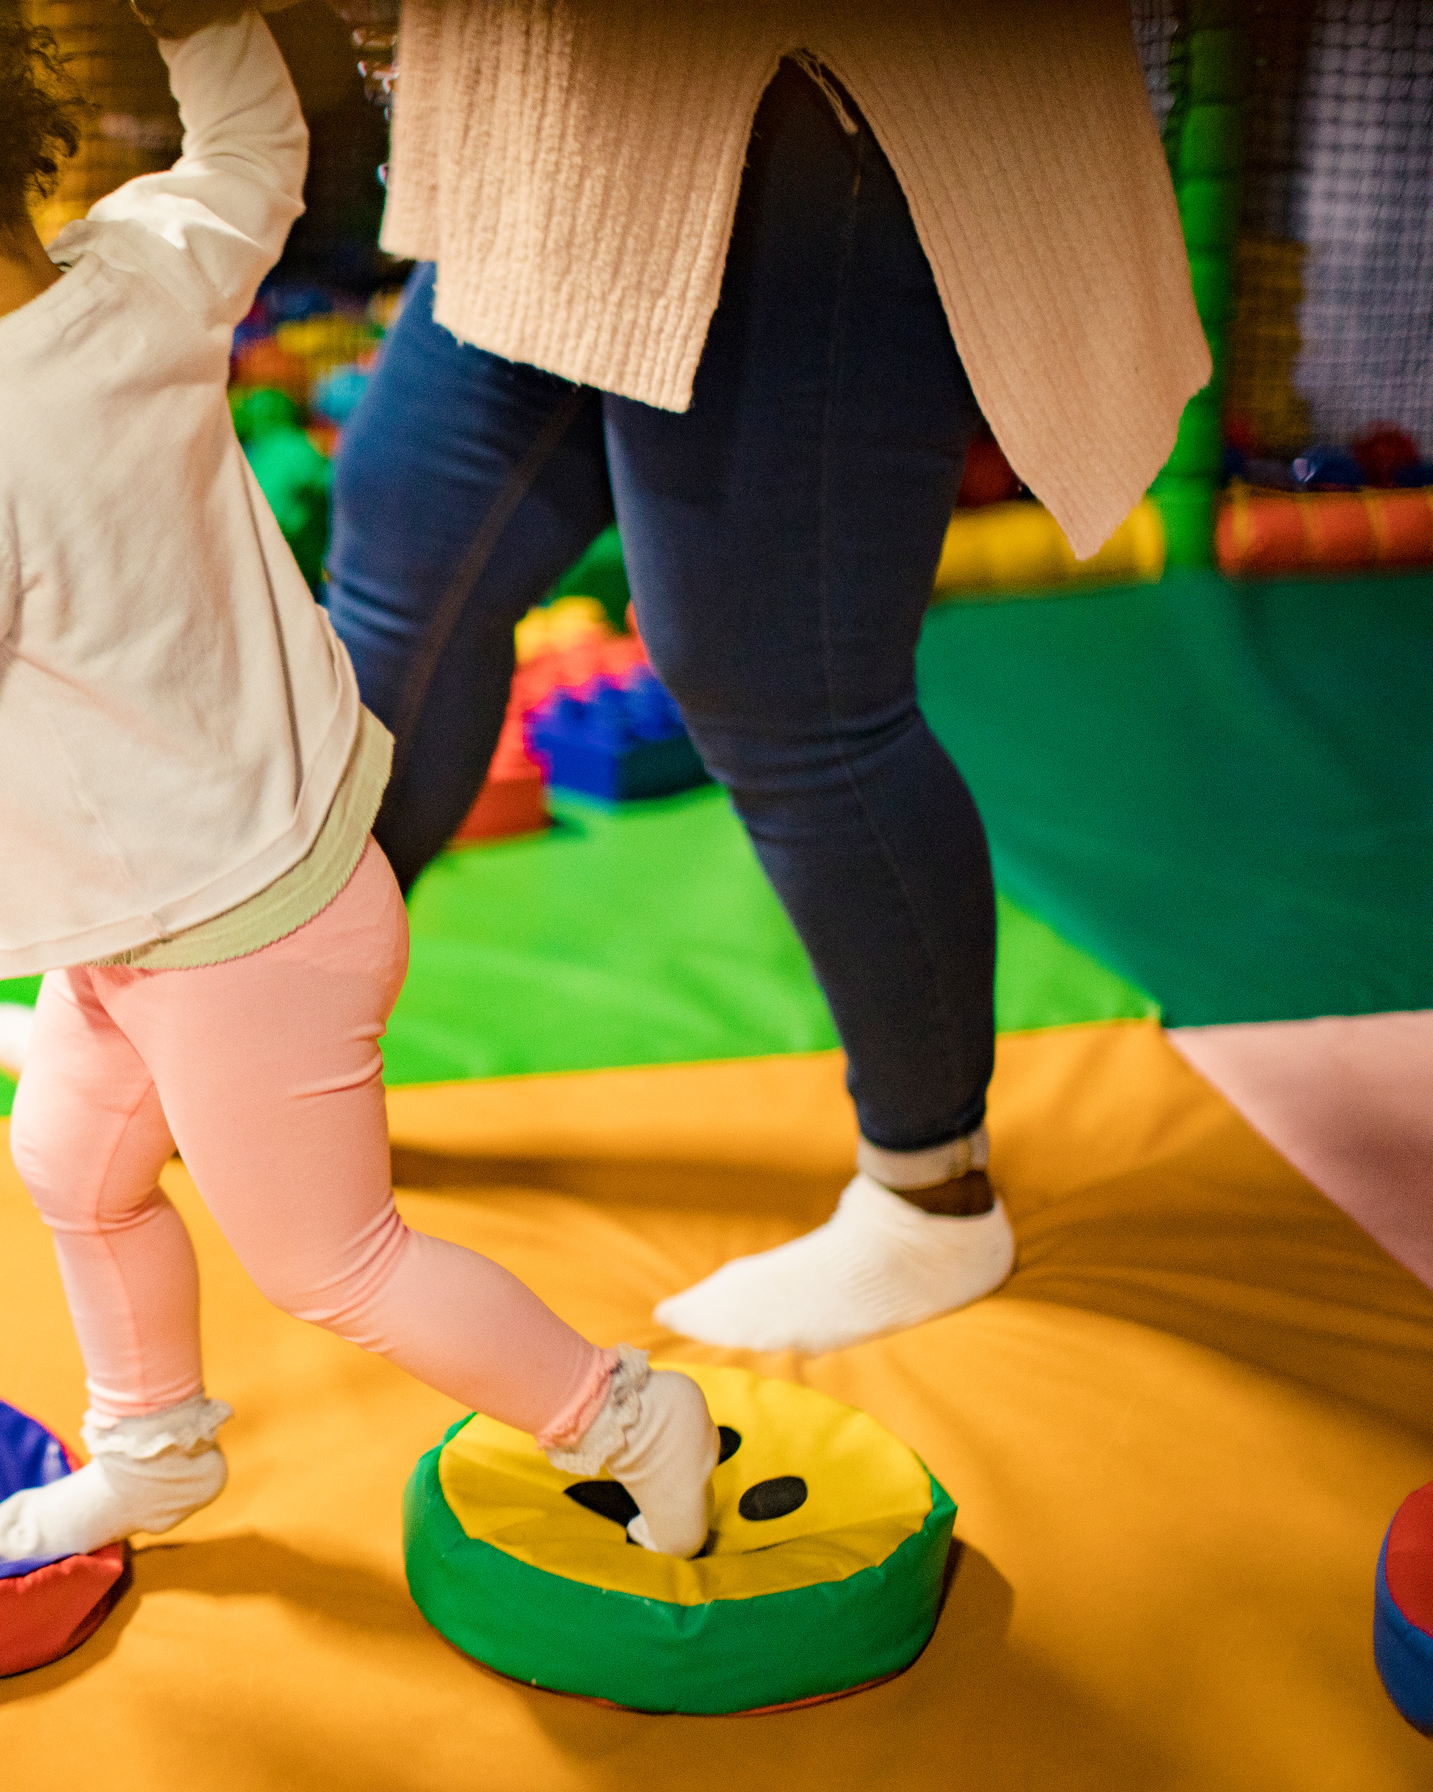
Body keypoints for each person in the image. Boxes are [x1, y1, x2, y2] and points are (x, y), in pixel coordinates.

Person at [0, 0, 722, 1561]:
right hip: (196, 895)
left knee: (334, 1262)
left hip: (236, 940)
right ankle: (153, 1447)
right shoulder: (142, 270)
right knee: (71, 1161)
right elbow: (256, 152)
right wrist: (202, 22)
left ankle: (617, 1413)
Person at [323, 2, 1208, 1354]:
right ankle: (264, 1042)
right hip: (574, 106)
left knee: (783, 679)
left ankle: (935, 1192)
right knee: (408, 548)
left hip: (806, 92)